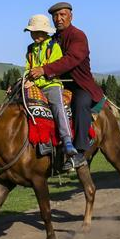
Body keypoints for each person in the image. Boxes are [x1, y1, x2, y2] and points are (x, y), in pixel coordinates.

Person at [28, 2, 105, 169]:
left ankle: (80, 151)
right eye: (55, 16)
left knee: (80, 104)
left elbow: (70, 60)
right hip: (55, 84)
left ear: (71, 16)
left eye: (62, 15)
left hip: (79, 85)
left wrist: (44, 69)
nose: (59, 19)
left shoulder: (78, 36)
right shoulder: (53, 39)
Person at [21, 14, 78, 158]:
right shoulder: (30, 49)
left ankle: (67, 140)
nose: (34, 35)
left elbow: (55, 68)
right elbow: (28, 68)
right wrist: (25, 80)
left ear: (45, 31)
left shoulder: (54, 47)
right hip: (35, 85)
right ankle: (37, 141)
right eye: (32, 32)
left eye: (37, 31)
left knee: (57, 106)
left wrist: (36, 79)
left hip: (51, 84)